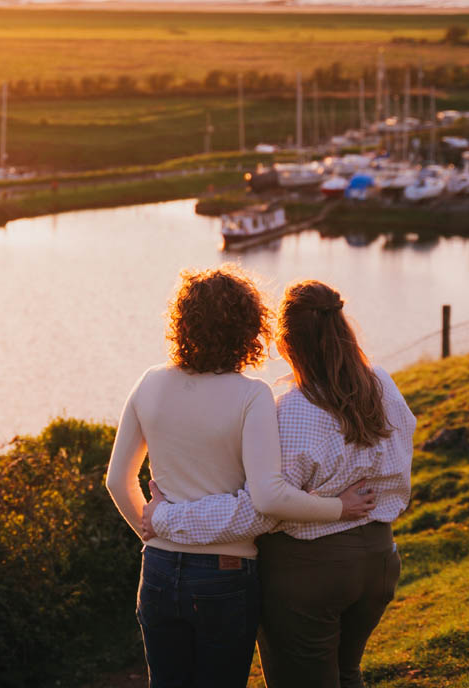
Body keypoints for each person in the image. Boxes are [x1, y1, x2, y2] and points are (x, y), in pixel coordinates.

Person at [106, 267, 375, 688]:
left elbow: (117, 480)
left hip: (158, 567)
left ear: (182, 322)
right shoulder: (252, 395)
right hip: (226, 572)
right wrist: (340, 506)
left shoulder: (149, 383)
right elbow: (268, 496)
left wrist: (151, 530)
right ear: (250, 328)